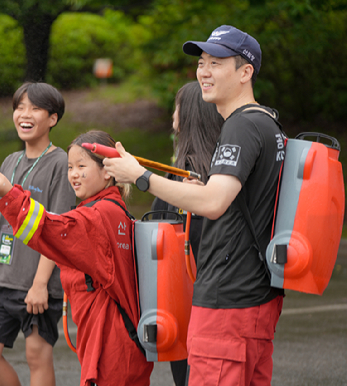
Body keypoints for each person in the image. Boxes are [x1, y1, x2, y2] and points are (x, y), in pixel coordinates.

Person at [103, 25, 285, 385]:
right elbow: (236, 200)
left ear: (245, 72)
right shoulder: (269, 124)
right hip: (259, 297)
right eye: (202, 62)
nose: (204, 72)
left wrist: (140, 175)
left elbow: (214, 203)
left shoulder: (240, 126)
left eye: (216, 63)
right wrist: (199, 189)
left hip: (226, 301)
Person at [0, 130, 154, 386]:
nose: (73, 174)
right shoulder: (114, 211)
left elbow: (50, 229)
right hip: (123, 342)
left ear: (108, 171)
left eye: (81, 166)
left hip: (110, 345)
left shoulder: (97, 217)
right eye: (70, 167)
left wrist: (9, 194)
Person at [0, 82, 76, 386]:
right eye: (19, 107)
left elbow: (57, 229)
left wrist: (40, 284)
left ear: (52, 119)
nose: (24, 114)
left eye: (35, 108)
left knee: (36, 355)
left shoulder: (61, 164)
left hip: (36, 283)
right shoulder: (10, 162)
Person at [150, 81, 223, 386]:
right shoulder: (219, 168)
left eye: (177, 107)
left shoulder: (190, 174)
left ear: (190, 114)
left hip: (189, 297)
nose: (172, 115)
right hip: (211, 294)